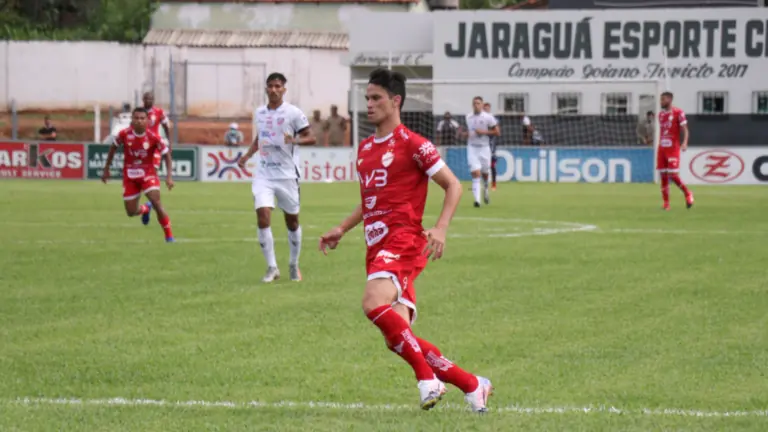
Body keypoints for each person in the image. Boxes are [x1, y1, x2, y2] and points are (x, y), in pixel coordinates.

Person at [318, 68, 492, 413]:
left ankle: (427, 379)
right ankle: (473, 385)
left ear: (395, 101)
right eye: (366, 98)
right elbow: (371, 201)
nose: (368, 104)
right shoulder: (366, 148)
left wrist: (441, 228)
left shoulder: (414, 144)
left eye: (376, 98)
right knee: (397, 338)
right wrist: (342, 228)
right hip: (376, 245)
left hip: (404, 241)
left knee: (372, 302)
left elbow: (453, 185)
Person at [238, 73, 316, 283]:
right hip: (264, 174)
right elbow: (260, 137)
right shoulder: (260, 113)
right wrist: (247, 156)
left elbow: (312, 137)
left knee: (292, 222)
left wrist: (295, 139)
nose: (273, 89)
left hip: (287, 175)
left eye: (277, 86)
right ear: (266, 89)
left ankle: (293, 263)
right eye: (270, 86)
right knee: (263, 216)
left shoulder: (293, 113)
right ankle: (272, 267)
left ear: (284, 89)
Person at [101, 108, 175, 242]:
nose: (139, 121)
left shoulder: (153, 137)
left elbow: (166, 155)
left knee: (157, 202)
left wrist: (169, 176)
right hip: (130, 176)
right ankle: (145, 209)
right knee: (131, 212)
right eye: (136, 118)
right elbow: (113, 148)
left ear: (147, 121)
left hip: (148, 174)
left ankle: (169, 236)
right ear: (132, 120)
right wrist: (106, 169)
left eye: (142, 118)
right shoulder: (124, 134)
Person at [658, 92, 694, 210]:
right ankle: (666, 204)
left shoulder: (678, 112)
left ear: (669, 99)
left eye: (663, 100)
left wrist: (684, 142)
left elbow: (685, 129)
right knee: (663, 175)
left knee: (673, 175)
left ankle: (687, 193)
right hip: (662, 148)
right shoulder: (660, 115)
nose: (661, 102)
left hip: (673, 148)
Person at [463, 97, 499, 207]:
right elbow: (468, 132)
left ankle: (486, 189)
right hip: (472, 148)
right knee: (475, 173)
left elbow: (497, 132)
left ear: (482, 105)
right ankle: (477, 200)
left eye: (478, 103)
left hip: (484, 148)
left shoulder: (488, 117)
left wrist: (483, 132)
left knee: (485, 173)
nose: (476, 105)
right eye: (474, 103)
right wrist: (465, 134)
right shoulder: (468, 117)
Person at [142, 92, 171, 169]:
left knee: (154, 167)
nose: (149, 100)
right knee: (142, 167)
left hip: (155, 143)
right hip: (141, 143)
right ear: (143, 100)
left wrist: (169, 142)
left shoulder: (159, 112)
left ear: (153, 100)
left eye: (151, 99)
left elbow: (166, 127)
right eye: (147, 99)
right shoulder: (139, 112)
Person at [482, 103, 500, 191]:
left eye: (487, 108)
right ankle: (485, 184)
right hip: (481, 145)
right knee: (482, 166)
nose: (486, 110)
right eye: (484, 109)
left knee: (492, 165)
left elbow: (497, 131)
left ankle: (494, 184)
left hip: (491, 145)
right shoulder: (480, 118)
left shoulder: (493, 119)